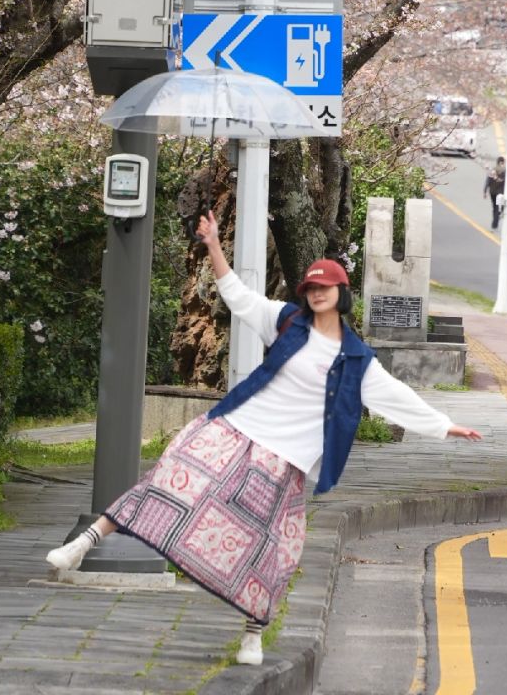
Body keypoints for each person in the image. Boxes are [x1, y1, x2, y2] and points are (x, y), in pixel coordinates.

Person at [45, 215, 481, 668]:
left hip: (285, 457)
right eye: (310, 288)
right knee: (167, 480)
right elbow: (237, 295)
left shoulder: (356, 358)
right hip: (236, 428)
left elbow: (395, 395)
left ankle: (253, 634)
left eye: (324, 287)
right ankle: (83, 545)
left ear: (342, 293)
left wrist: (443, 425)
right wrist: (213, 243)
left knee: (272, 546)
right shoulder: (286, 321)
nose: (315, 294)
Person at [483, 156, 506, 228]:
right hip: (500, 193)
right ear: (502, 162)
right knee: (500, 208)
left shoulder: (492, 170)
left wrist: (485, 191)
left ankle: (494, 222)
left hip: (492, 192)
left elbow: (488, 181)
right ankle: (495, 223)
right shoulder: (504, 171)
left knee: (495, 207)